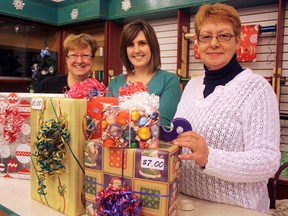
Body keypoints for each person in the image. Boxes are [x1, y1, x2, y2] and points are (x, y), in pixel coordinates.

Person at [171, 3, 280, 213]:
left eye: (223, 36)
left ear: (237, 41)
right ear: (198, 42)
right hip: (184, 202)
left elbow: (268, 161)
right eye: (206, 36)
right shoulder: (192, 86)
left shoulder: (257, 89)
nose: (214, 43)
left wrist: (210, 157)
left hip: (236, 208)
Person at [106, 20, 182, 127]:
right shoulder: (115, 82)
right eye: (130, 45)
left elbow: (162, 126)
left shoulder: (169, 80)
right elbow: (107, 122)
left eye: (142, 43)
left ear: (152, 46)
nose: (136, 50)